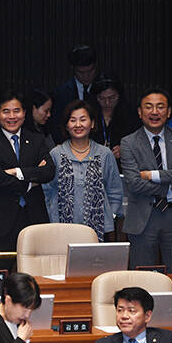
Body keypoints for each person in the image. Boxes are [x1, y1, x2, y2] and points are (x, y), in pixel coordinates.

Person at [120, 88, 172, 273]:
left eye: (160, 107)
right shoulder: (128, 142)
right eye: (148, 107)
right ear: (140, 112)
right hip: (144, 216)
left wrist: (152, 175)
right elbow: (134, 182)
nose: (154, 112)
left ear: (168, 113)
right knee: (143, 277)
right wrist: (169, 187)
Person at [0, 89, 54, 251]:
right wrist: (31, 180)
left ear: (24, 113)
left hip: (34, 217)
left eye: (16, 111)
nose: (12, 116)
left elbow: (49, 171)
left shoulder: (36, 139)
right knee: (3, 270)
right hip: (1, 220)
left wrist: (16, 172)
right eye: (6, 111)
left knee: (35, 273)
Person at [42, 100, 123, 242]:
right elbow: (47, 191)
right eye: (72, 120)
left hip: (98, 229)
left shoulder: (104, 154)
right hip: (61, 229)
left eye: (83, 119)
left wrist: (111, 215)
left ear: (92, 123)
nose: (78, 125)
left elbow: (114, 190)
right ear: (66, 125)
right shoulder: (56, 154)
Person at [89, 73, 139, 169]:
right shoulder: (88, 114)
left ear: (119, 95)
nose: (107, 103)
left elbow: (139, 142)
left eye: (112, 98)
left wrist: (125, 149)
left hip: (122, 167)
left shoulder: (131, 114)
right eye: (102, 98)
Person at [53, 44, 99, 128]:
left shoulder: (103, 90)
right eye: (81, 72)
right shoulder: (61, 93)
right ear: (73, 69)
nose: (86, 76)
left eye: (90, 71)